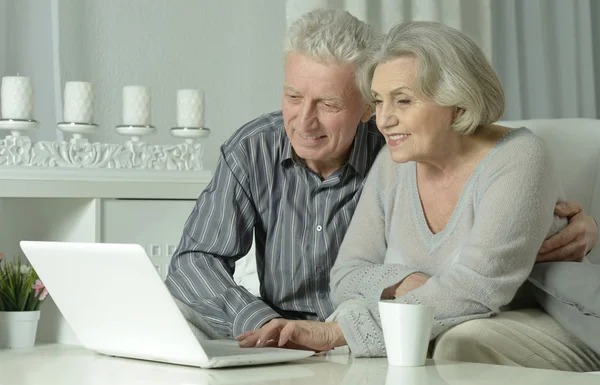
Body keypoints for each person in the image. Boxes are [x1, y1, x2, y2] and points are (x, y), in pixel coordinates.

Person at [165, 9, 598, 351]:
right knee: (175, 314)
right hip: (297, 326)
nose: (303, 120)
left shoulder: (399, 144)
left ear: (362, 107)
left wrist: (580, 224)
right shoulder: (256, 149)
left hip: (390, 332)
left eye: (330, 103)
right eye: (293, 96)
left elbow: (471, 274)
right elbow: (194, 262)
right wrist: (261, 321)